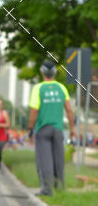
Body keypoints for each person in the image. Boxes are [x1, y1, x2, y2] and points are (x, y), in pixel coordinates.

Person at [28, 61, 75, 195]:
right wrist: (72, 129)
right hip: (58, 129)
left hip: (43, 128)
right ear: (54, 73)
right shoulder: (61, 88)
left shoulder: (38, 88)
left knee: (45, 159)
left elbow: (34, 111)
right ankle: (59, 186)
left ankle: (47, 189)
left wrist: (30, 128)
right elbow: (69, 110)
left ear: (42, 72)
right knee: (58, 158)